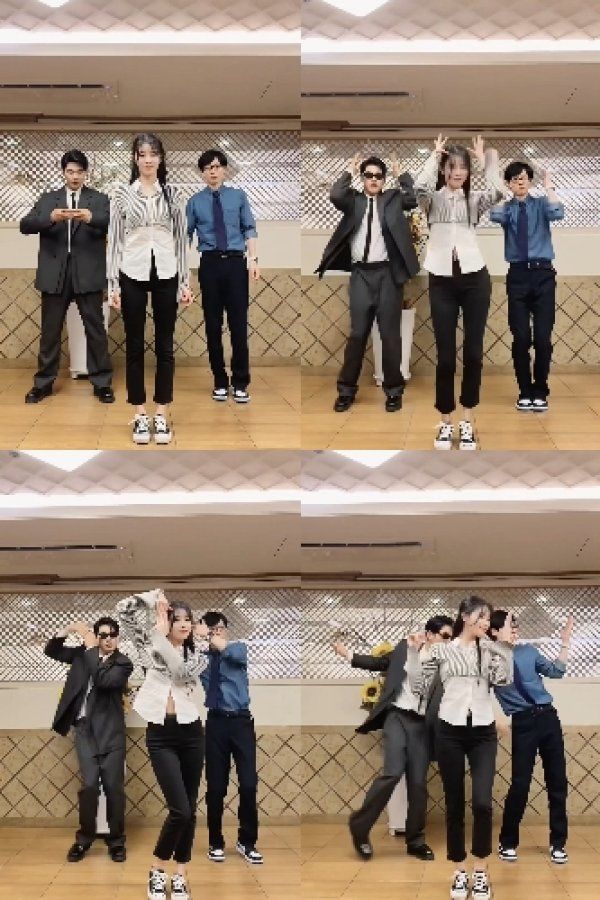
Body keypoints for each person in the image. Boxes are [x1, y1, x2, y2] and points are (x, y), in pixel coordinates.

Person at [409, 597, 516, 900]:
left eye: (489, 619)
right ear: (466, 617)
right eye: (482, 617)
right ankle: (458, 869)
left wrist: (505, 647)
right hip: (449, 732)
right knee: (454, 803)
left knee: (482, 803)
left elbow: (504, 680)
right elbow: (418, 687)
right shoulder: (442, 650)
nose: (486, 623)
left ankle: (480, 870)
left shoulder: (490, 649)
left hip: (483, 733)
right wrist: (416, 653)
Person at [331, 614, 454, 861]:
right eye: (445, 636)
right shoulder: (404, 648)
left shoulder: (447, 663)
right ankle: (360, 827)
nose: (449, 641)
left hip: (421, 725)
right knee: (392, 773)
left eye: (451, 638)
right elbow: (380, 662)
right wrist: (349, 655)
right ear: (430, 635)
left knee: (418, 784)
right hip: (397, 717)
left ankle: (415, 841)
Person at [115, 590, 209, 900]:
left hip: (192, 733)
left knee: (190, 810)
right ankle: (157, 870)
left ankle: (180, 874)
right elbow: (123, 609)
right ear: (166, 621)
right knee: (179, 809)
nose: (183, 624)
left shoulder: (197, 654)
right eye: (176, 618)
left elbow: (180, 672)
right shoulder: (149, 646)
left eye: (187, 619)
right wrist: (153, 598)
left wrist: (159, 635)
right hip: (161, 735)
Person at [415, 135, 504, 450]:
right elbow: (418, 188)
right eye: (452, 167)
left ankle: (467, 420)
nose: (458, 172)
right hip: (442, 281)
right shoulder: (432, 200)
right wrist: (433, 156)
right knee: (445, 357)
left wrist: (483, 162)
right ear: (444, 170)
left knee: (474, 353)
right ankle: (445, 421)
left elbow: (498, 192)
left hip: (475, 279)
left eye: (463, 167)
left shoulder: (474, 200)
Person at [315, 153, 420, 413]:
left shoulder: (393, 199)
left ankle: (394, 391)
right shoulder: (353, 200)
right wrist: (348, 173)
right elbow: (335, 195)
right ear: (363, 178)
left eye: (378, 176)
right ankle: (346, 391)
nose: (373, 179)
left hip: (388, 275)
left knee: (390, 335)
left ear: (384, 179)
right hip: (361, 274)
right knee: (358, 333)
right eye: (369, 175)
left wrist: (400, 175)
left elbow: (412, 199)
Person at [107, 133, 193, 445]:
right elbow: (115, 241)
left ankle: (161, 412)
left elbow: (181, 241)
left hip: (167, 272)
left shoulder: (173, 194)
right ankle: (140, 413)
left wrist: (185, 281)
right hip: (131, 270)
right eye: (142, 154)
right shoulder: (121, 195)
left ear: (160, 158)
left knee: (165, 345)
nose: (147, 159)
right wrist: (113, 284)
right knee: (134, 344)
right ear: (135, 158)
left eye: (153, 154)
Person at [20, 149, 114, 405]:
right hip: (55, 274)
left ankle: (102, 383)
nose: (75, 176)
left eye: (79, 172)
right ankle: (43, 384)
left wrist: (91, 218)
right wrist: (50, 218)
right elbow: (25, 225)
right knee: (50, 332)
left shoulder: (99, 199)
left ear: (86, 173)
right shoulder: (48, 199)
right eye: (70, 171)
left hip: (88, 273)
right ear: (63, 172)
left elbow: (114, 224)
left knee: (95, 330)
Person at [44, 617, 132, 863]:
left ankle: (116, 841)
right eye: (103, 635)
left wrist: (92, 647)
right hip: (84, 731)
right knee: (90, 786)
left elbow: (104, 681)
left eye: (112, 635)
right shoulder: (82, 656)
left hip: (111, 733)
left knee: (114, 788)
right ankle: (83, 840)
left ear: (118, 637)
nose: (108, 639)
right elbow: (51, 651)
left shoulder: (123, 663)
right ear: (96, 636)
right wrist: (67, 629)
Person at [489, 610, 573, 865]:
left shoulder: (528, 652)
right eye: (509, 625)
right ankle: (507, 842)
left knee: (557, 782)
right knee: (520, 783)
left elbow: (556, 672)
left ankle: (558, 843)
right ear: (494, 631)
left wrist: (565, 643)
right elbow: (477, 692)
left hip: (548, 717)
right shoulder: (488, 660)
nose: (515, 630)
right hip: (523, 722)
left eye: (516, 626)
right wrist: (494, 719)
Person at [489, 162, 565, 412]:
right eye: (514, 179)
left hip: (543, 274)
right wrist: (502, 193)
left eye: (523, 178)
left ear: (530, 181)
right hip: (518, 275)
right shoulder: (508, 208)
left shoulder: (541, 204)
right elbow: (495, 216)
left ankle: (540, 390)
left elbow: (557, 213)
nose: (520, 182)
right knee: (521, 337)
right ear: (509, 184)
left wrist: (549, 187)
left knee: (542, 338)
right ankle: (524, 391)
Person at [186, 150, 259, 404]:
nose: (213, 171)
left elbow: (249, 228)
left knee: (238, 325)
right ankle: (219, 380)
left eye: (217, 166)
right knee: (212, 325)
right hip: (210, 265)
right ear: (202, 173)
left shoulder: (238, 196)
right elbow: (185, 236)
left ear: (224, 169)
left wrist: (253, 260)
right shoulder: (195, 202)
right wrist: (182, 272)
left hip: (236, 264)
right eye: (208, 168)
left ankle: (240, 382)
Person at [198, 610, 263, 864]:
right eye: (212, 628)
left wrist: (208, 635)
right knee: (216, 787)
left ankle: (247, 842)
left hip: (241, 722)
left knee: (248, 784)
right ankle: (215, 842)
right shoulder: (201, 660)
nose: (217, 632)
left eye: (220, 628)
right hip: (216, 723)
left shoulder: (237, 649)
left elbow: (227, 650)